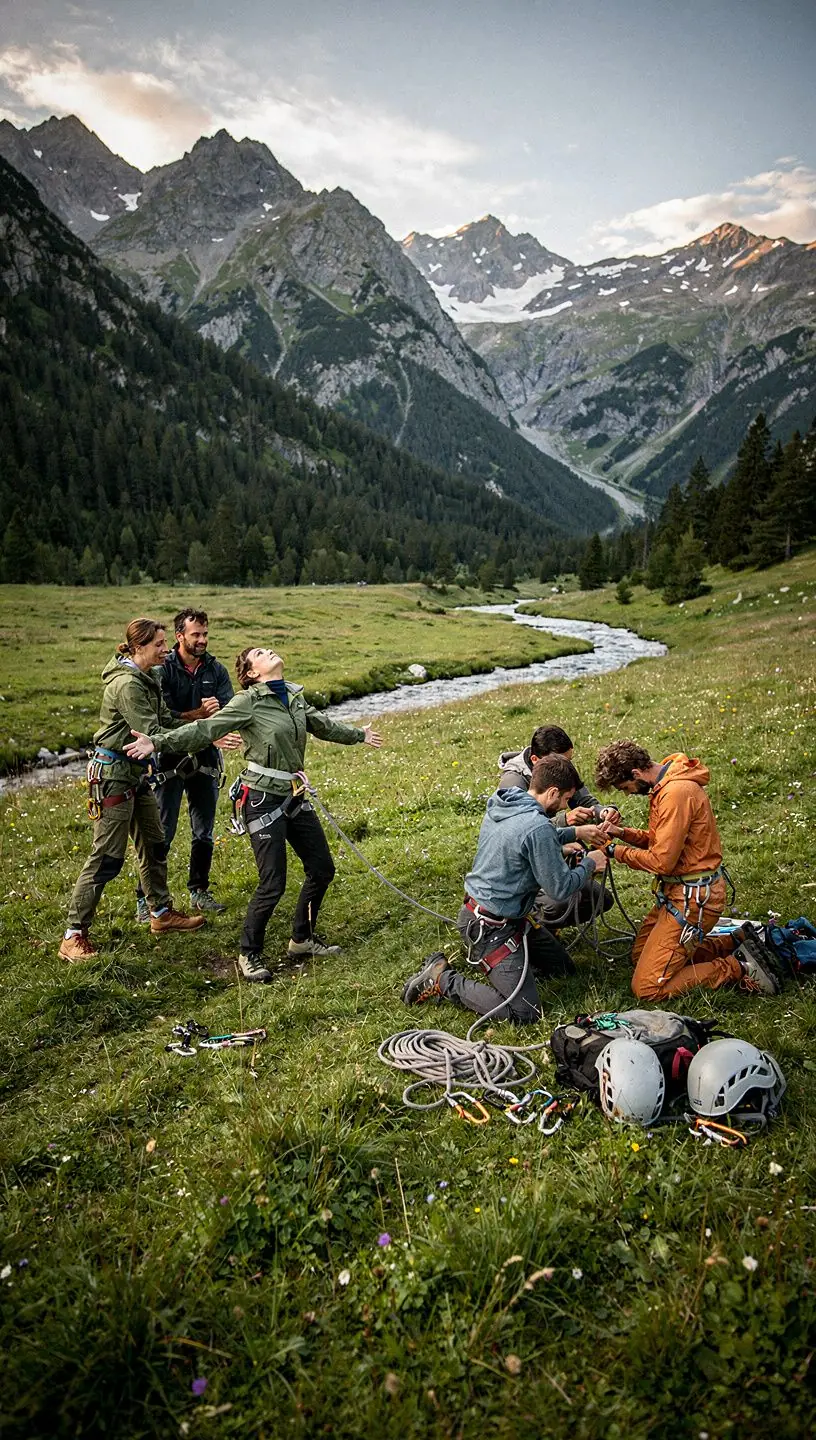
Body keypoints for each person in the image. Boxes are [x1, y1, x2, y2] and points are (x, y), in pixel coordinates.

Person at [123, 645, 383, 982]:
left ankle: (301, 940)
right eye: (260, 652)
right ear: (251, 673)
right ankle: (249, 953)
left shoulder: (293, 695)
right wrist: (156, 743)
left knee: (322, 869)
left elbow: (322, 725)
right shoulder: (248, 701)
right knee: (273, 883)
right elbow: (205, 730)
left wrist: (359, 735)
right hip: (261, 799)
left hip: (294, 795)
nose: (271, 651)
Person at [401, 755, 608, 1024]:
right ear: (553, 792)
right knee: (525, 1013)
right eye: (566, 799)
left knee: (563, 969)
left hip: (505, 918)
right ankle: (442, 979)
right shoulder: (536, 828)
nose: (566, 805)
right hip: (490, 929)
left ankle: (515, 970)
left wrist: (575, 833)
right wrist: (591, 864)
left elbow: (530, 837)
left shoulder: (508, 802)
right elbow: (559, 888)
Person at [59, 618, 205, 962]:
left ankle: (161, 913)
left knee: (155, 844)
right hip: (112, 776)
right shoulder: (127, 685)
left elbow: (165, 719)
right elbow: (152, 732)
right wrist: (207, 733)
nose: (166, 649)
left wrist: (200, 720)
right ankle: (73, 935)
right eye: (159, 644)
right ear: (138, 647)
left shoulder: (148, 676)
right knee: (107, 857)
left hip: (136, 774)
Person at [594, 740, 782, 998]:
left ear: (636, 774)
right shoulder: (668, 782)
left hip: (692, 899)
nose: (627, 793)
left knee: (647, 987)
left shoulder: (675, 793)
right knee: (640, 958)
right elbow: (663, 841)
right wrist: (621, 833)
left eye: (625, 787)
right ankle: (736, 941)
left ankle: (739, 967)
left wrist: (613, 851)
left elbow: (661, 861)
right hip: (678, 891)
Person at [135, 608, 236, 923]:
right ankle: (147, 899)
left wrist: (218, 720)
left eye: (205, 634)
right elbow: (163, 719)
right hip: (168, 761)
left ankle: (199, 891)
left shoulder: (216, 670)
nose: (202, 640)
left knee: (204, 831)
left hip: (205, 760)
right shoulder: (162, 671)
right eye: (196, 635)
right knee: (162, 832)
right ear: (180, 636)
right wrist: (199, 716)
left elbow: (231, 713)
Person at [498, 723, 619, 931]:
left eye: (568, 761)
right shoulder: (513, 782)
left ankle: (545, 926)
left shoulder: (558, 768)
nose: (566, 766)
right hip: (522, 873)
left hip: (549, 855)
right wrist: (565, 822)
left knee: (600, 898)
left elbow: (585, 800)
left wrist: (603, 811)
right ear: (536, 761)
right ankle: (528, 926)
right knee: (560, 900)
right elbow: (520, 832)